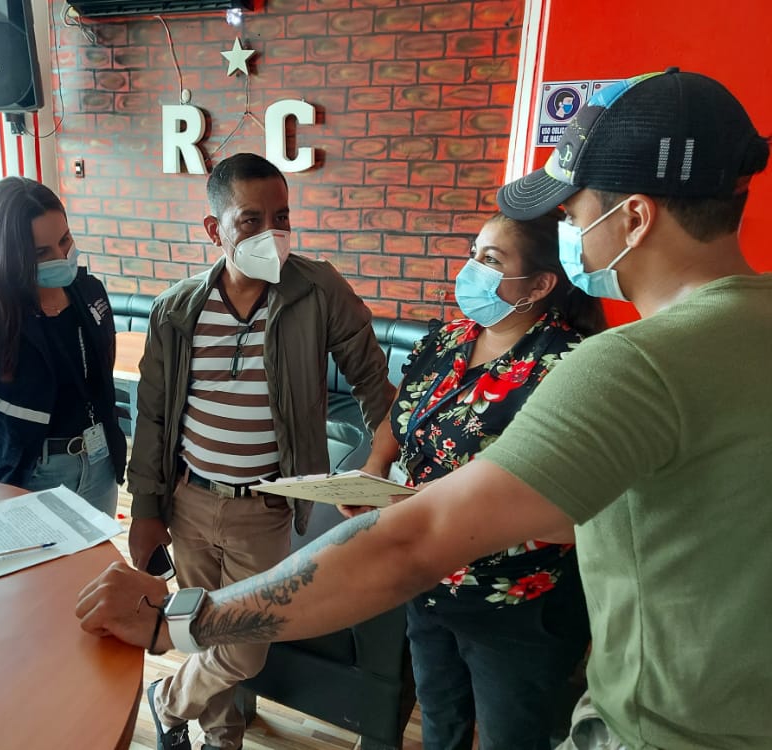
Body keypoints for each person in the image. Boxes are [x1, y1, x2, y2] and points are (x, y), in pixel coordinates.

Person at [76, 69, 772, 750]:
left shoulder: (624, 364)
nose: (567, 230)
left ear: (635, 218)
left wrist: (178, 619)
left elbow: (409, 542)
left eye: (570, 212)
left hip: (660, 722)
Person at [125, 152, 395, 750]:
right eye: (251, 220)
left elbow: (374, 384)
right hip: (189, 502)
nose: (271, 233)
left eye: (281, 217)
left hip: (264, 509)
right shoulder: (177, 309)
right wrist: (145, 509)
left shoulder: (317, 291)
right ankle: (222, 739)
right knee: (201, 630)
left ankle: (166, 701)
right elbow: (153, 417)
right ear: (214, 228)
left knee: (244, 648)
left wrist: (375, 468)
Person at [344, 209, 603, 749]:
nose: (471, 270)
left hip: (517, 604)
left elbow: (584, 509)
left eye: (491, 259)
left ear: (540, 285)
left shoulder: (571, 366)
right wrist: (373, 470)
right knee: (440, 721)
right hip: (427, 578)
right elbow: (401, 411)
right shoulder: (446, 340)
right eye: (473, 254)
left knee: (511, 737)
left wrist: (445, 508)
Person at [0, 177, 127, 515]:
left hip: (98, 465)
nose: (62, 257)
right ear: (9, 256)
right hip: (24, 475)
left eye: (65, 240)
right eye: (41, 253)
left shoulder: (90, 292)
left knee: (99, 552)